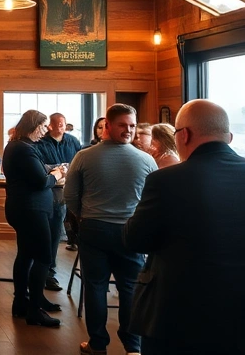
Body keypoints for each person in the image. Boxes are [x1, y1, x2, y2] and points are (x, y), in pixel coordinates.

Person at [124, 99, 245, 355]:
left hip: (177, 314)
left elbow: (136, 240)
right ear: (229, 137)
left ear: (184, 135)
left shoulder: (165, 180)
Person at [64, 104, 156, 355]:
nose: (129, 130)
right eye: (123, 125)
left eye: (132, 126)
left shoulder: (84, 156)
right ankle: (133, 346)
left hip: (94, 228)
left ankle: (97, 344)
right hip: (130, 230)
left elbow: (70, 195)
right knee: (130, 288)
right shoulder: (146, 160)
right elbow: (153, 198)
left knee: (95, 286)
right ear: (108, 126)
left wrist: (83, 215)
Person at [3, 109, 67, 327]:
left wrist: (51, 169)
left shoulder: (18, 146)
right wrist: (57, 174)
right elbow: (41, 181)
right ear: (33, 125)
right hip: (32, 210)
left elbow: (36, 170)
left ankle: (23, 302)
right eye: (43, 125)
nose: (45, 130)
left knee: (25, 255)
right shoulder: (24, 149)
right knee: (43, 257)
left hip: (23, 208)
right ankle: (35, 310)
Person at [36, 113, 83, 292]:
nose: (62, 126)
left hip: (67, 191)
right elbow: (39, 167)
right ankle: (42, 273)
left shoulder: (72, 141)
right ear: (50, 126)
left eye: (64, 123)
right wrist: (57, 169)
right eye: (58, 124)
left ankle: (50, 272)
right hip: (45, 191)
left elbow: (79, 162)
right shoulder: (41, 143)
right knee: (44, 234)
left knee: (55, 234)